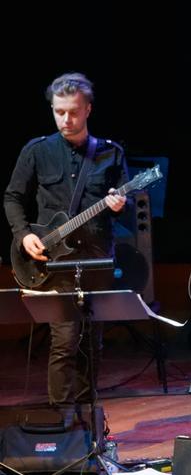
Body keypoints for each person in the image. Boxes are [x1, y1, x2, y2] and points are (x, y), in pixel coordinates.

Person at [5, 73, 129, 406]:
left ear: (88, 109)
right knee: (64, 339)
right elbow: (13, 197)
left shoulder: (111, 153)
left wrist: (121, 205)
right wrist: (24, 235)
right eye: (59, 112)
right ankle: (61, 418)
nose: (66, 119)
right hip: (55, 261)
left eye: (73, 112)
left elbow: (126, 210)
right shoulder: (37, 150)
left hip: (96, 258)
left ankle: (89, 419)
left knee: (92, 342)